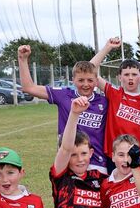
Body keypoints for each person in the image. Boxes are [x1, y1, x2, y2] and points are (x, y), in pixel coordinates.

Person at [18, 45, 109, 174]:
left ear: (96, 82)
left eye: (90, 80)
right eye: (81, 80)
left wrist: (108, 46)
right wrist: (22, 59)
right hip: (68, 162)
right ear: (73, 81)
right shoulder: (64, 95)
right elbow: (29, 88)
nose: (86, 84)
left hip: (96, 164)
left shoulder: (104, 102)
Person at [90, 37, 140, 172]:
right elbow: (90, 69)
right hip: (115, 157)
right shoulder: (115, 94)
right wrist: (107, 47)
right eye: (126, 74)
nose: (130, 78)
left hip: (138, 157)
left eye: (134, 74)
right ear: (119, 77)